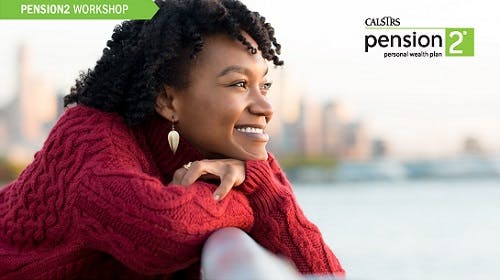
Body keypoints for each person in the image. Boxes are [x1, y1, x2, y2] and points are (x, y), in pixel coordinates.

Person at [0, 0, 345, 278]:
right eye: (239, 84)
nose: (266, 106)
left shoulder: (238, 158)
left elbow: (324, 272)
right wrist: (244, 196)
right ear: (168, 100)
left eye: (264, 85)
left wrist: (255, 177)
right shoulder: (89, 139)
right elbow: (164, 231)